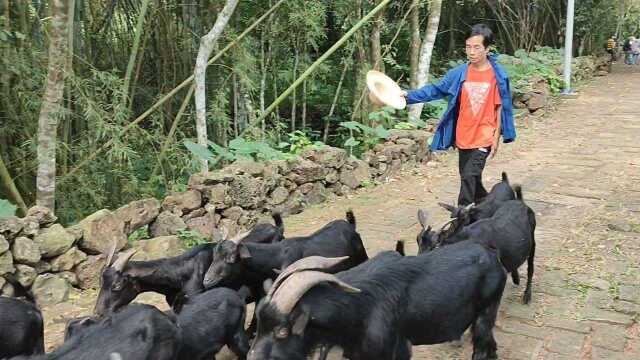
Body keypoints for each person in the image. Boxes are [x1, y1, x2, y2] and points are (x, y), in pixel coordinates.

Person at [401, 24, 515, 206]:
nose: (471, 52)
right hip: (463, 136)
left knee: (469, 177)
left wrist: (496, 138)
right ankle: (491, 206)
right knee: (470, 179)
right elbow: (435, 90)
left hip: (484, 136)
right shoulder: (459, 73)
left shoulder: (497, 76)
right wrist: (408, 96)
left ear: (487, 48)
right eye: (468, 47)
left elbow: (500, 107)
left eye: (476, 47)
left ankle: (462, 220)